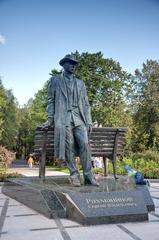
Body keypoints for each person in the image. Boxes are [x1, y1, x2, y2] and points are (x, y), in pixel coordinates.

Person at [42, 54, 99, 187]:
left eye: (75, 64)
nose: (74, 66)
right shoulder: (55, 81)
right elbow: (51, 101)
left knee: (85, 144)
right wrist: (50, 119)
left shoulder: (80, 83)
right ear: (64, 65)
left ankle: (89, 176)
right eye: (71, 63)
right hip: (63, 119)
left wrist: (89, 121)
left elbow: (85, 104)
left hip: (79, 118)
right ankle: (74, 175)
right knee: (69, 147)